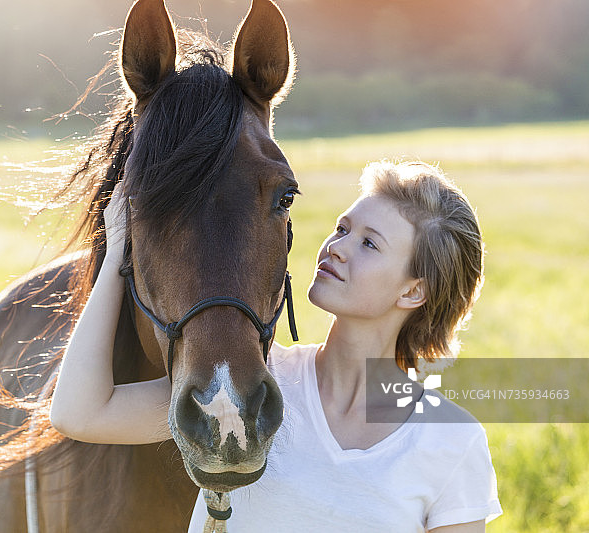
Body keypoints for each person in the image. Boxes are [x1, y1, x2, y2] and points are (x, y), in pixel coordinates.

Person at [50, 160, 502, 532]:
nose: (337, 247)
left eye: (368, 243)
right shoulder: (255, 386)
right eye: (343, 228)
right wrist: (115, 257)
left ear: (412, 292)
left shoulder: (451, 441)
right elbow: (79, 413)